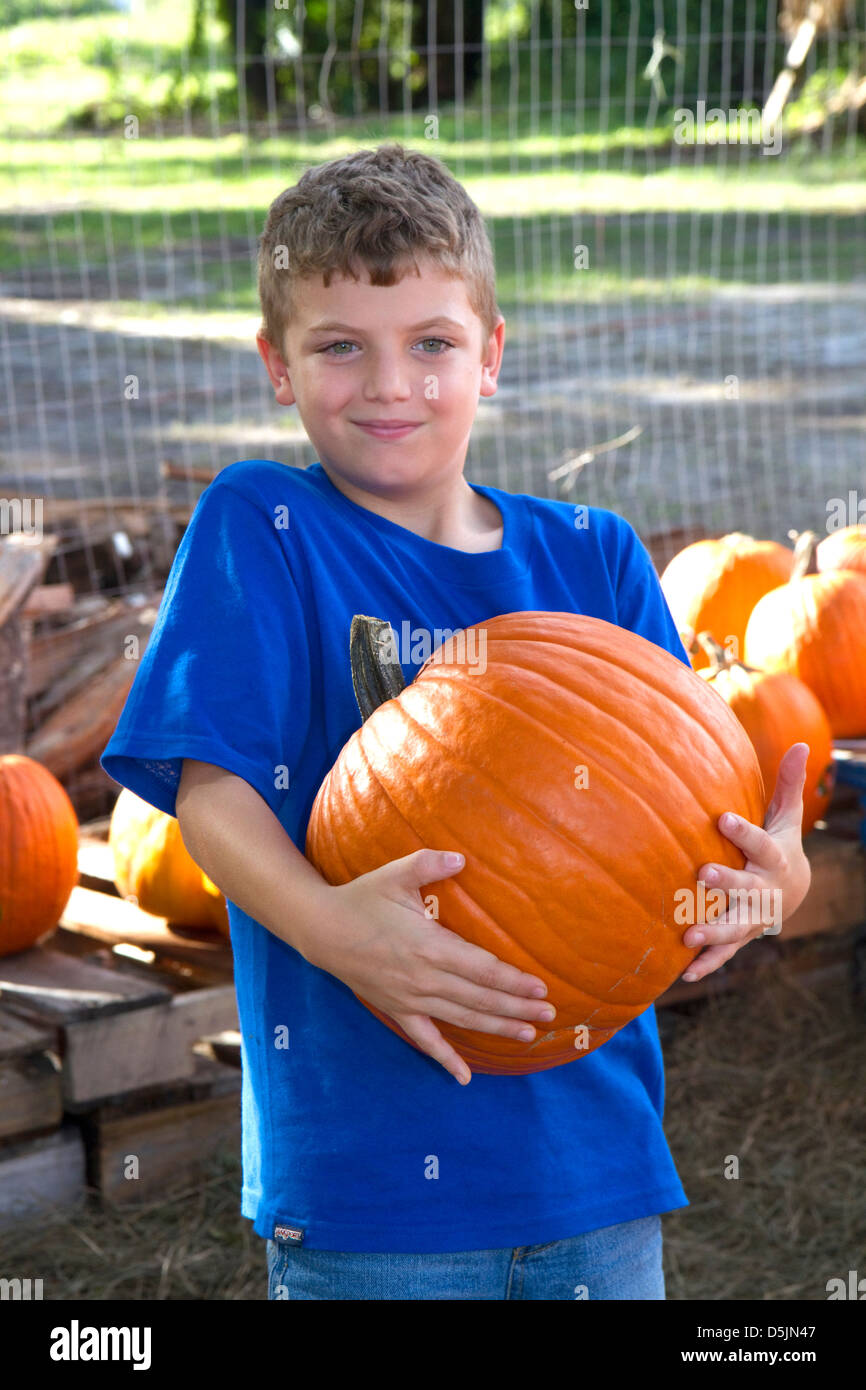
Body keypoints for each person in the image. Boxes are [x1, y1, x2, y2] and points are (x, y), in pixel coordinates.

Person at [100, 142, 811, 1301]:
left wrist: (762, 884)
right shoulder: (263, 528)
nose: (388, 384)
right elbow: (212, 794)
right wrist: (338, 931)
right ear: (277, 365)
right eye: (340, 347)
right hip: (369, 1186)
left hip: (593, 1170)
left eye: (430, 343)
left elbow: (687, 800)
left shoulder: (591, 557)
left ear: (489, 356)